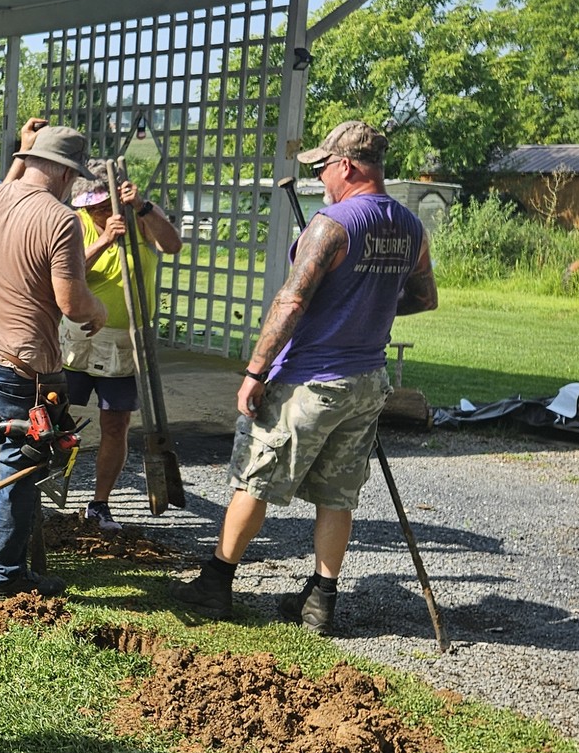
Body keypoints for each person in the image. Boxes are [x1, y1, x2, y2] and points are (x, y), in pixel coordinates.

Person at [172, 120, 437, 632]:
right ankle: (320, 601)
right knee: (338, 494)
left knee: (255, 479)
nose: (319, 178)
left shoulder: (330, 225)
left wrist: (255, 371)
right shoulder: (410, 227)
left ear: (348, 166)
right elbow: (424, 297)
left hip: (309, 381)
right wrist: (366, 306)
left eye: (323, 168)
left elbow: (292, 301)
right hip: (367, 382)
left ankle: (215, 585)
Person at [0, 124, 107, 598]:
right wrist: (98, 310)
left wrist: (23, 148)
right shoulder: (61, 220)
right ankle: (4, 576)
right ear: (67, 174)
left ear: (28, 160)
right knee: (19, 471)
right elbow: (72, 303)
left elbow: (9, 185)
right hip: (20, 370)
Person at [60, 170, 181, 531]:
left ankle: (100, 503)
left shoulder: (140, 217)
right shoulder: (74, 223)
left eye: (101, 205)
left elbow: (172, 245)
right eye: (90, 207)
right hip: (77, 337)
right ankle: (38, 492)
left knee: (116, 424)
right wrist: (103, 240)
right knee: (54, 415)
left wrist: (143, 207)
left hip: (125, 341)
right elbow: (67, 273)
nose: (95, 212)